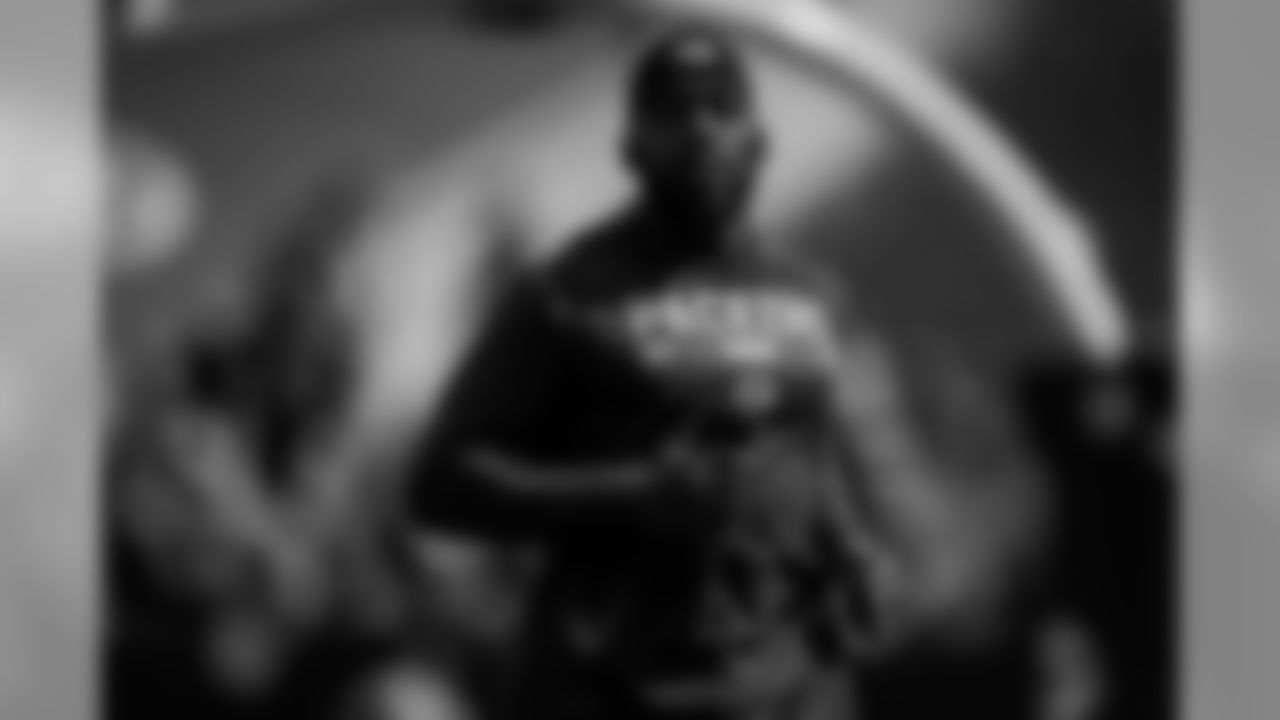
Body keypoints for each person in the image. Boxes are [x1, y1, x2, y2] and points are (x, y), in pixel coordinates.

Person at [406, 25, 1038, 720]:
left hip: (794, 689)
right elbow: (442, 483)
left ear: (758, 140)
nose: (700, 128)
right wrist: (635, 489)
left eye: (720, 105)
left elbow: (807, 462)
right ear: (633, 147)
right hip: (618, 691)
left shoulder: (811, 296)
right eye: (674, 109)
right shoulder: (567, 296)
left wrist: (854, 553)